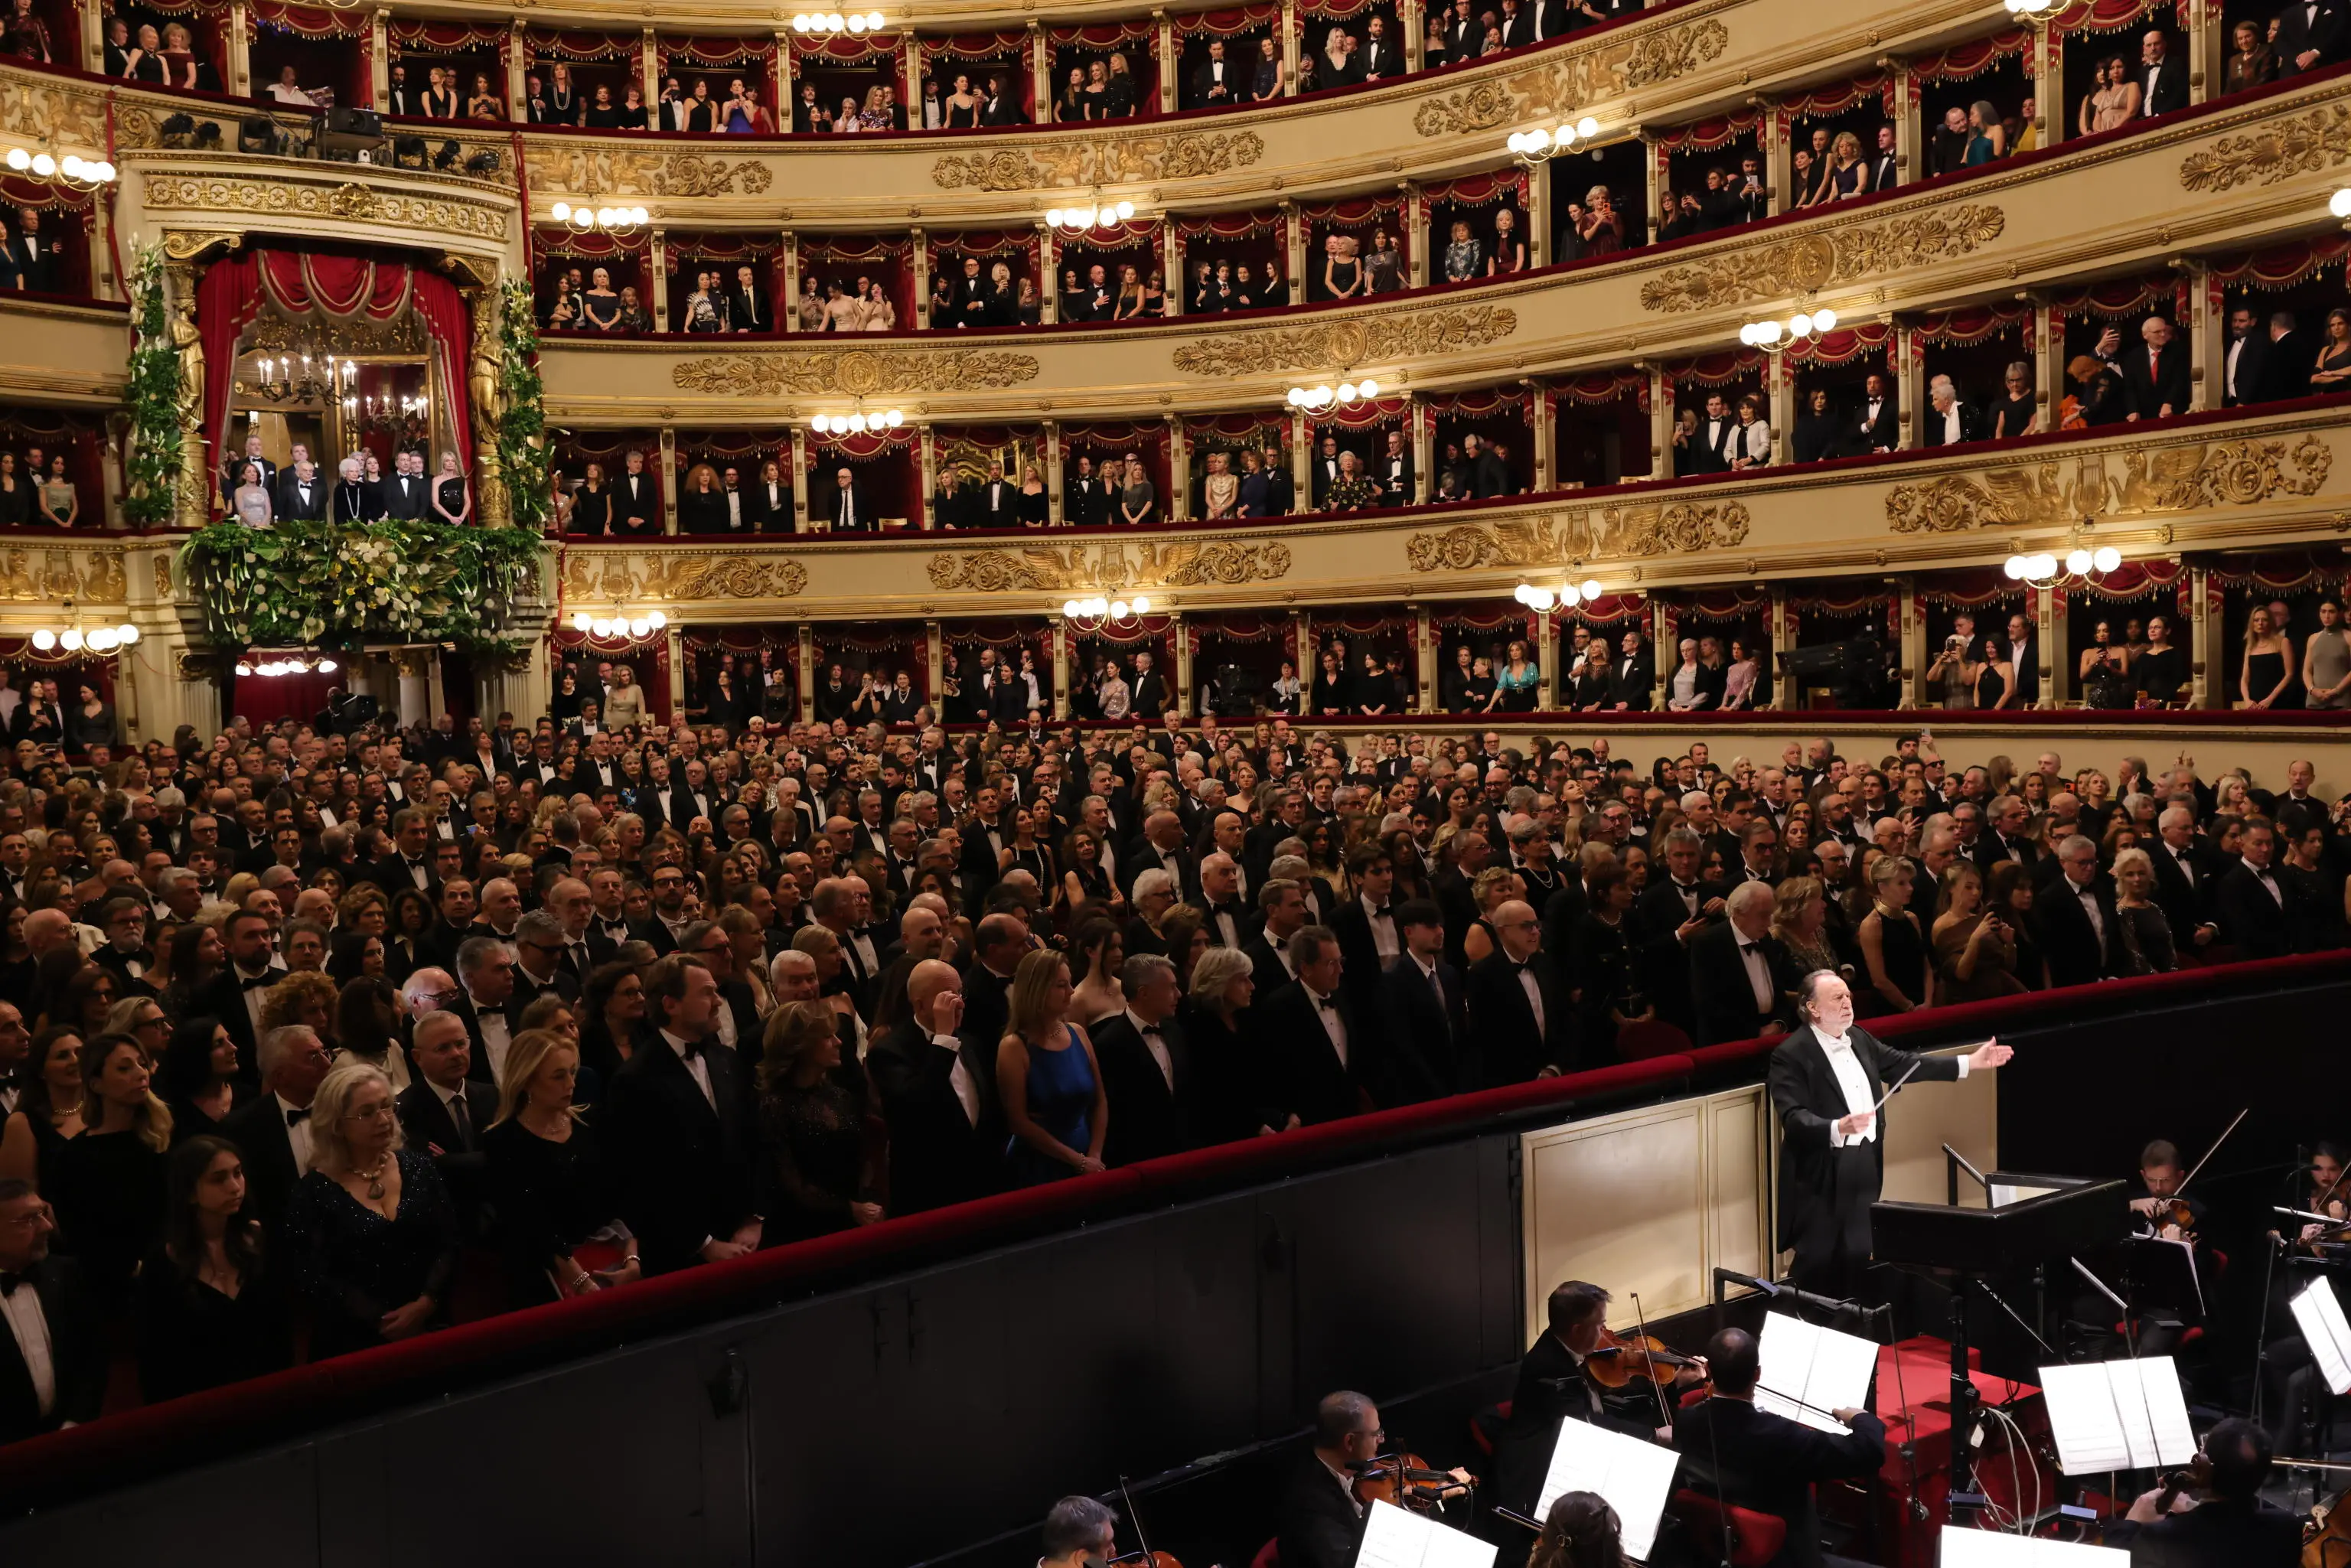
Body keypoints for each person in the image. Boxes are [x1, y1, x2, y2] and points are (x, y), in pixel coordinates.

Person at [1767, 971, 2010, 1298]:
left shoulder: (1860, 1038)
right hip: (1820, 1175)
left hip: (1864, 1162)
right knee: (1816, 1263)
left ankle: (1853, 1333)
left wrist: (1968, 1063)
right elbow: (1793, 1118)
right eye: (1837, 998)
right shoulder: (1791, 1054)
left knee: (1858, 1254)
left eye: (1849, 996)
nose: (1847, 1003)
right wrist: (1836, 1127)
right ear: (1812, 1007)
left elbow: (1905, 1065)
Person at [283, 1060, 458, 1358]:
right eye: (367, 1113)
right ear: (337, 1124)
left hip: (431, 1324)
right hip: (356, 1343)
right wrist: (383, 1321)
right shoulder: (312, 1193)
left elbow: (450, 1240)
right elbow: (313, 1276)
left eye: (387, 1106)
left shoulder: (417, 1166)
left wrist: (427, 1302)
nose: (383, 1119)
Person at [1671, 1325, 1886, 1568]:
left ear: (1708, 1370)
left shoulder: (1686, 1421)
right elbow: (1868, 1451)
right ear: (1757, 1374)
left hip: (1717, 1549)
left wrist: (1686, 1388)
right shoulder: (1783, 1437)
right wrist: (1861, 1418)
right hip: (1786, 1559)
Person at [602, 954, 761, 1273]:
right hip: (682, 1258)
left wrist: (754, 1218)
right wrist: (704, 1245)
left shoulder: (726, 1059)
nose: (717, 1001)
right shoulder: (634, 1079)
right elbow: (643, 1178)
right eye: (706, 993)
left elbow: (754, 1141)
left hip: (746, 1241)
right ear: (671, 1005)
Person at [134, 1135, 293, 1403]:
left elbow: (281, 1333)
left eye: (238, 1173)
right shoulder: (163, 1263)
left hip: (269, 1397)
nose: (235, 1187)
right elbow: (156, 1361)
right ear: (189, 1192)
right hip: (201, 1407)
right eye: (218, 1179)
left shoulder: (259, 1240)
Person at [755, 999, 879, 1240]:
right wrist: (849, 1209)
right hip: (804, 1231)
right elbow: (788, 1184)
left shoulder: (839, 1096)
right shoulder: (774, 1106)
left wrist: (866, 1203)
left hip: (855, 1221)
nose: (838, 1042)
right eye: (827, 1036)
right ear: (800, 1046)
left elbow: (861, 1158)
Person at [2104, 1416, 2302, 1565]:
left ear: (2204, 1468)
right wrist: (2194, 1507)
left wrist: (2132, 1521)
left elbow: (2116, 1561)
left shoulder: (2162, 1538)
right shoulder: (2287, 1528)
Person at [0, 1178, 105, 1443]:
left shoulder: (67, 1274)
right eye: (27, 1220)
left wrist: (73, 1426)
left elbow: (92, 1359)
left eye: (42, 1213)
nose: (47, 1227)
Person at [996, 947, 1107, 1185]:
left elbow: (1100, 1101)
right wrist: (1078, 1161)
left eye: (1070, 983)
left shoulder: (1078, 1032)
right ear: (1037, 990)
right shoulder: (1014, 1047)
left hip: (1087, 1154)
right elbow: (1018, 1122)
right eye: (1061, 985)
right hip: (1039, 1164)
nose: (1072, 991)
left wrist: (1094, 1155)